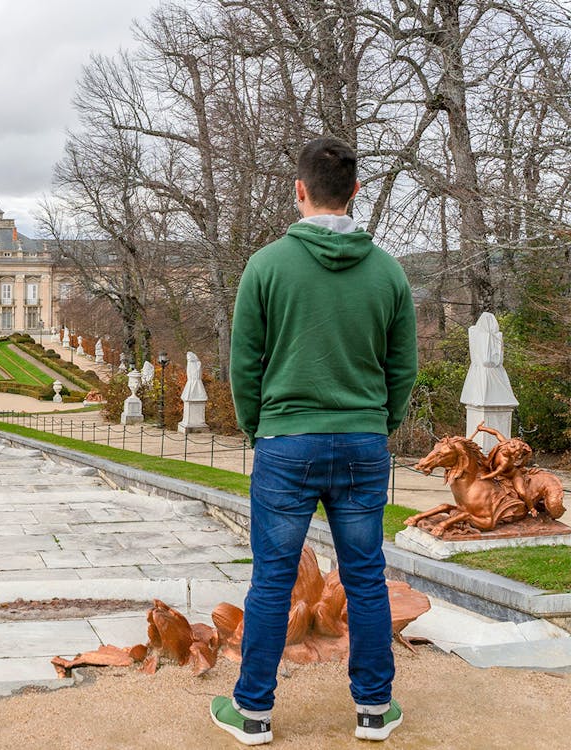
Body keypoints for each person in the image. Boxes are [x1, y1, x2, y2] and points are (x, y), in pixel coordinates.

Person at [214, 137, 417, 745]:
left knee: (272, 580)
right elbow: (400, 368)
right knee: (365, 578)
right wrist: (381, 425)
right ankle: (375, 709)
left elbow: (243, 364)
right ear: (355, 192)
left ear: (298, 191)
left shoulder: (266, 266)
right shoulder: (387, 271)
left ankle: (253, 713)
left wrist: (259, 426)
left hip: (287, 441)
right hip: (360, 442)